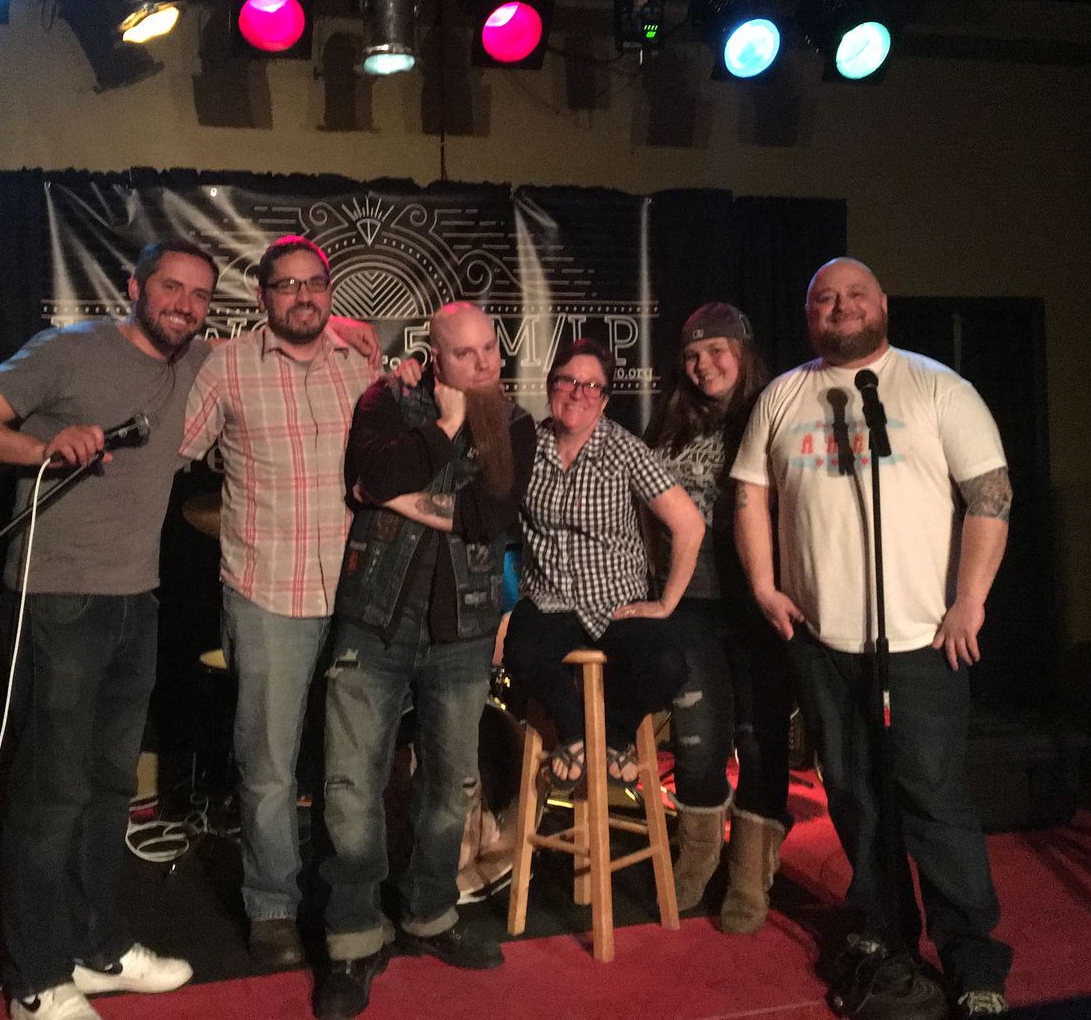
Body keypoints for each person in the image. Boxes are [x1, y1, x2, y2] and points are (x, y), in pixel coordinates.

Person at [0, 240, 216, 1020]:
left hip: (137, 603)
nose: (184, 305)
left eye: (199, 295)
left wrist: (350, 333)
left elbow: (280, 341)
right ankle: (34, 976)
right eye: (171, 287)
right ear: (135, 286)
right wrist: (40, 448)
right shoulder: (70, 350)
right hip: (58, 603)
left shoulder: (196, 362)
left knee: (109, 790)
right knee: (52, 794)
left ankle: (96, 947)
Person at [730, 257, 1014, 1019]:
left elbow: (990, 496)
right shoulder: (784, 396)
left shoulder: (936, 388)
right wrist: (764, 585)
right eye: (824, 298)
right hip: (822, 640)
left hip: (922, 640)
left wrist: (970, 601)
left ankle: (973, 961)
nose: (841, 307)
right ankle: (885, 935)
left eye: (855, 295)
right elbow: (750, 493)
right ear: (808, 314)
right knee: (855, 796)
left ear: (882, 304)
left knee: (932, 798)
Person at [314, 302, 536, 1020]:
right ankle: (352, 939)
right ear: (433, 356)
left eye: (489, 349)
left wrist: (393, 497)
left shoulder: (517, 423)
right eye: (464, 354)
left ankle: (429, 914)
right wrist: (442, 427)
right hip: (375, 618)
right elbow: (372, 469)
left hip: (463, 629)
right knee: (351, 786)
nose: (483, 363)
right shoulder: (387, 399)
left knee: (450, 785)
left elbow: (486, 517)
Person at [179, 235, 383, 970]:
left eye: (314, 283)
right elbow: (173, 452)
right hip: (267, 592)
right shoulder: (226, 366)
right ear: (261, 296)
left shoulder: (360, 363)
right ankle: (272, 907)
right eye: (286, 285)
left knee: (352, 765)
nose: (303, 296)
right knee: (268, 766)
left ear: (330, 290)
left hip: (358, 594)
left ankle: (347, 902)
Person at [502, 338, 704, 792]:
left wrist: (666, 603)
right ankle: (574, 734)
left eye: (592, 386)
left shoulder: (624, 449)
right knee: (520, 650)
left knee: (668, 665)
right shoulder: (526, 446)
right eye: (568, 381)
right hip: (550, 599)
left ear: (606, 399)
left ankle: (615, 736)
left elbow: (689, 525)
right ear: (550, 387)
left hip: (617, 600)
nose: (579, 393)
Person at [647, 303, 792, 934]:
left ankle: (750, 872)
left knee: (759, 738)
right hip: (690, 599)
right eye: (692, 355)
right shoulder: (671, 419)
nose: (703, 365)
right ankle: (698, 859)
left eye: (716, 351)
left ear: (743, 351)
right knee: (698, 739)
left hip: (760, 600)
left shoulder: (776, 411)